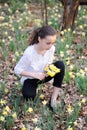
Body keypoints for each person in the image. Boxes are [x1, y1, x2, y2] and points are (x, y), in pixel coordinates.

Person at [14, 25, 65, 110]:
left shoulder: (51, 48)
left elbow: (49, 61)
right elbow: (17, 70)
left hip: (44, 74)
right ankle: (34, 88)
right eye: (48, 43)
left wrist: (47, 68)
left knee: (60, 65)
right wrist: (35, 75)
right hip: (30, 78)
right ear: (39, 39)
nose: (50, 46)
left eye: (53, 43)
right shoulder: (29, 53)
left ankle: (53, 100)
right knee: (29, 96)